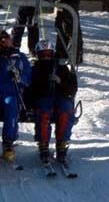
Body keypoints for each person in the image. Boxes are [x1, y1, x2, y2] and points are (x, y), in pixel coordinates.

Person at [0, 27, 32, 165]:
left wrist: (19, 77)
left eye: (6, 40)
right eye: (0, 41)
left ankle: (8, 142)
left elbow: (28, 76)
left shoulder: (19, 57)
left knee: (12, 106)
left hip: (11, 92)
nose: (3, 43)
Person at [27, 35, 78, 166]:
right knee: (44, 111)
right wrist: (45, 84)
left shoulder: (61, 68)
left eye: (48, 54)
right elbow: (31, 89)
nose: (45, 57)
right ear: (38, 55)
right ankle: (43, 143)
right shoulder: (35, 69)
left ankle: (62, 143)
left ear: (53, 53)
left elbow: (71, 89)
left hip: (60, 97)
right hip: (44, 97)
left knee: (66, 109)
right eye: (43, 54)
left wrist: (60, 82)